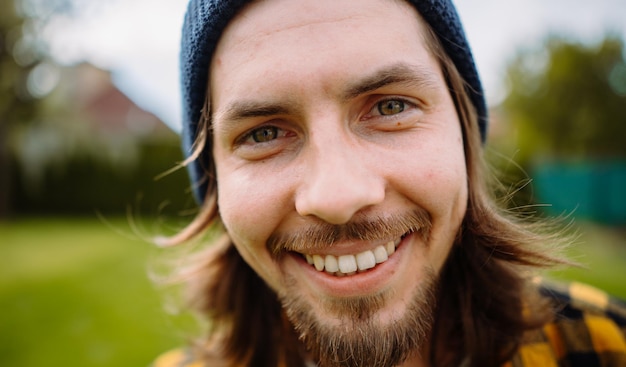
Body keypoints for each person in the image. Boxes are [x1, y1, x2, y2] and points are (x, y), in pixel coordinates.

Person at [153, 0, 626, 366]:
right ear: (214, 184)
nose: (338, 197)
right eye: (264, 134)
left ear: (462, 130)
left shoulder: (606, 344)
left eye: (391, 107)